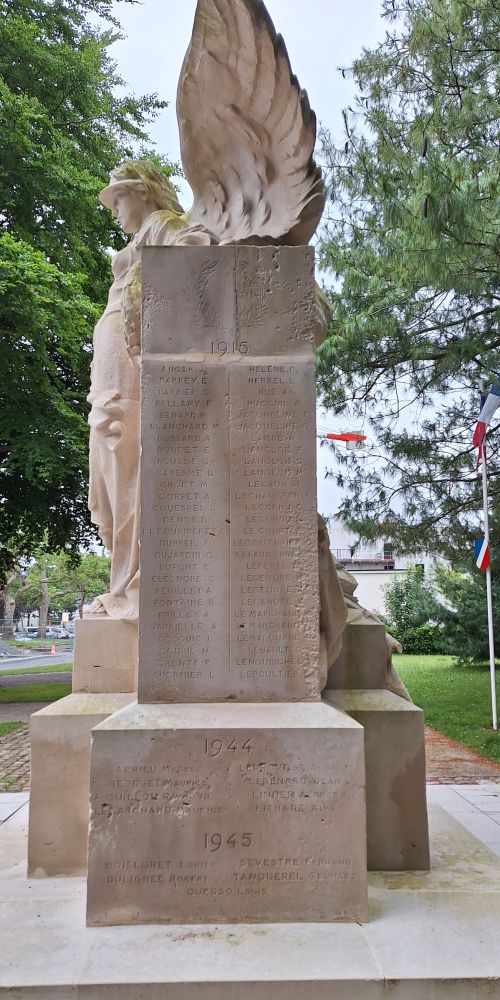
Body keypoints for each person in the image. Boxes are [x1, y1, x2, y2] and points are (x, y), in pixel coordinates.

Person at [86, 161, 215, 619]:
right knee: (109, 467)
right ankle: (124, 581)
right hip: (112, 370)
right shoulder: (140, 239)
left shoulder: (164, 226)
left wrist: (145, 283)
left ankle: (133, 584)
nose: (115, 208)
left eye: (119, 197)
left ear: (143, 192)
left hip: (132, 369)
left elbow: (198, 252)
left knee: (125, 459)